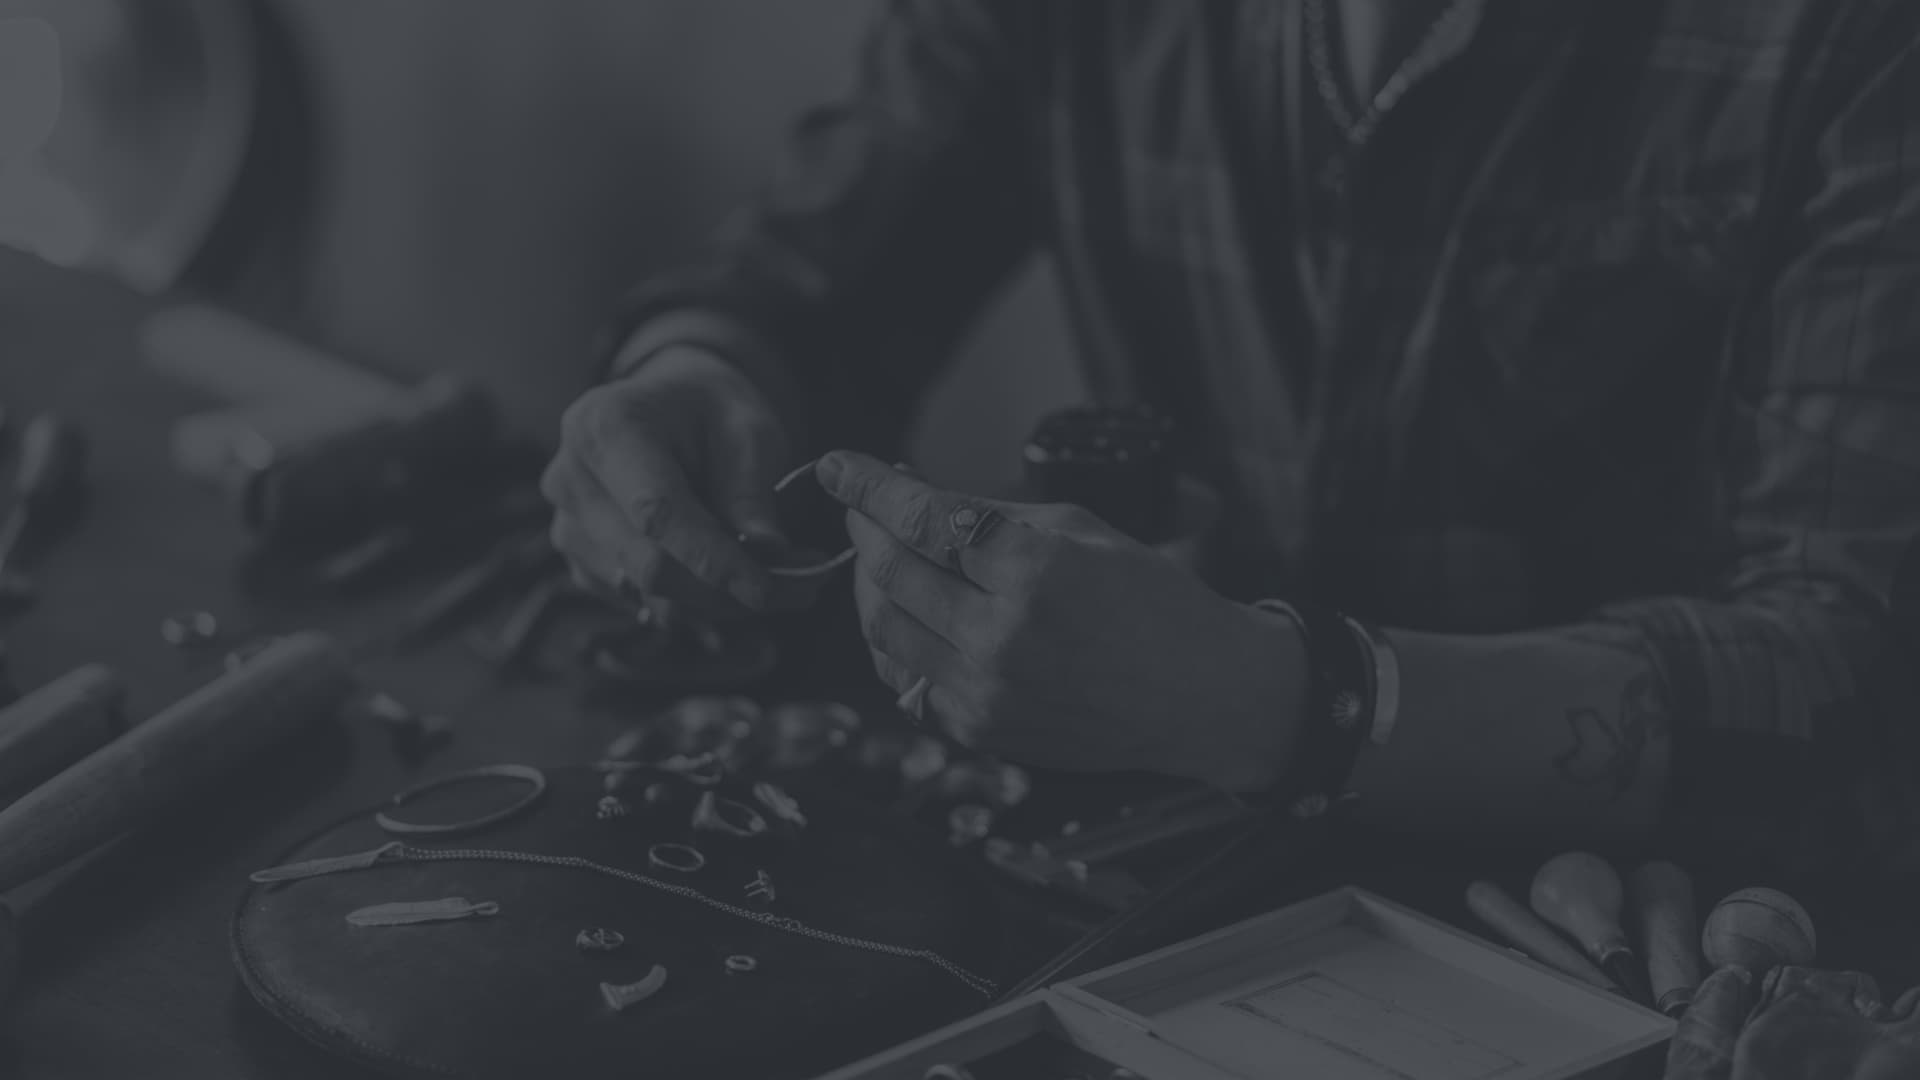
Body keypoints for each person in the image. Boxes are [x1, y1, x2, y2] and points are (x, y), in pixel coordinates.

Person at [541, 0, 1920, 856]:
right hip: (1172, 865)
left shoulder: (1857, 37)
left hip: (1659, 929)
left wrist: (1274, 700)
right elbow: (810, 285)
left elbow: (1858, 674)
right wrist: (695, 369)